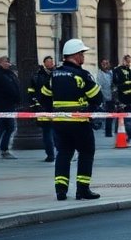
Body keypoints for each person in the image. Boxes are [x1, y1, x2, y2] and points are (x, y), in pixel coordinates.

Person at [42, 39, 102, 200]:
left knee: (63, 154)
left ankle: (60, 191)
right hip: (79, 122)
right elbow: (97, 97)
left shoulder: (54, 74)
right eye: (82, 53)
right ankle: (82, 190)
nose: (83, 56)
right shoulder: (82, 75)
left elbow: (44, 95)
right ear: (75, 55)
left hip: (60, 122)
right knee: (86, 152)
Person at [0, 55, 22, 159]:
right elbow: (6, 88)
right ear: (0, 63)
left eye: (9, 62)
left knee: (10, 127)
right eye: (6, 62)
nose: (8, 64)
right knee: (1, 127)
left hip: (9, 105)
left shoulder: (8, 73)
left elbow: (15, 85)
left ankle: (4, 150)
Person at [26, 56, 56, 162]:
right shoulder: (37, 75)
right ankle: (50, 154)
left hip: (56, 107)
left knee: (56, 132)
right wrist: (34, 104)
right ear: (44, 63)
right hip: (43, 107)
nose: (51, 63)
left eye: (52, 61)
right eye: (48, 61)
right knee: (47, 132)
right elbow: (31, 90)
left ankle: (59, 153)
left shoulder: (57, 74)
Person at [113, 54, 131, 139]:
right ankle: (119, 135)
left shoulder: (130, 71)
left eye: (129, 62)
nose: (128, 63)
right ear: (123, 60)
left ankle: (126, 135)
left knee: (128, 118)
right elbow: (115, 85)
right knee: (121, 117)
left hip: (129, 98)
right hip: (121, 97)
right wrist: (117, 100)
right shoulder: (117, 70)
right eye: (127, 61)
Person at [95, 58, 116, 137]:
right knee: (107, 115)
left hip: (111, 97)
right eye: (103, 63)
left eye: (107, 63)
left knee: (112, 115)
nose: (105, 65)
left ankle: (111, 131)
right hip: (104, 98)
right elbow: (99, 86)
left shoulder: (111, 73)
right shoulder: (100, 74)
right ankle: (107, 131)